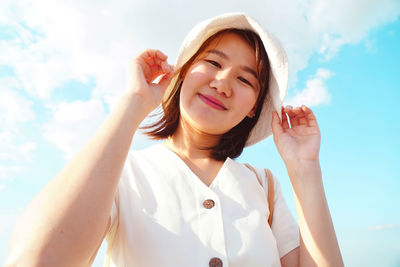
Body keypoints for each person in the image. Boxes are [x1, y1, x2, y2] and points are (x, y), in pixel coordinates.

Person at [4, 13, 343, 267]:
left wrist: (304, 168)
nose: (223, 83)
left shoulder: (263, 186)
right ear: (181, 73)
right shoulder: (121, 173)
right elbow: (38, 259)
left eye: (245, 79)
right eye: (212, 62)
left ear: (254, 108)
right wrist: (133, 103)